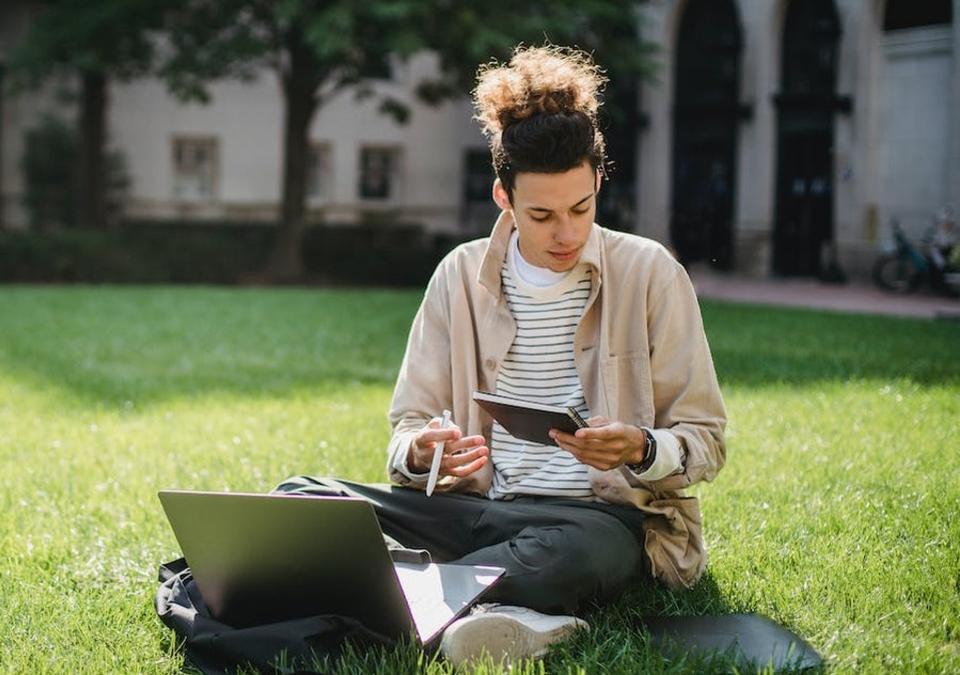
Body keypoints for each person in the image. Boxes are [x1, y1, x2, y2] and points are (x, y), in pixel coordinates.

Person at [275, 44, 727, 667]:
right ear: (503, 198)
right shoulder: (458, 276)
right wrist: (422, 451)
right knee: (299, 498)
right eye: (541, 215)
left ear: (598, 182)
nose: (566, 233)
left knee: (581, 555)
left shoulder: (651, 273)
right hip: (474, 511)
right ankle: (491, 608)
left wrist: (642, 449)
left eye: (581, 209)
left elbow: (705, 439)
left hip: (597, 522)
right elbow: (407, 426)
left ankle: (389, 591)